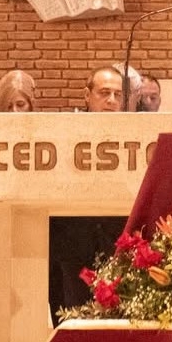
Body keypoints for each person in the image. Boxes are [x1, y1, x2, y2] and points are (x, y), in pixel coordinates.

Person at [48, 67, 126, 324]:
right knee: (75, 318)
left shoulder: (133, 131)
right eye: (104, 93)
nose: (112, 100)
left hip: (116, 240)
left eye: (117, 94)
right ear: (87, 95)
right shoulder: (65, 131)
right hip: (73, 241)